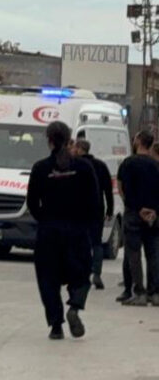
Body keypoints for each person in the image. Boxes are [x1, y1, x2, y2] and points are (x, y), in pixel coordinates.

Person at [28, 121, 102, 340]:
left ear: (49, 141)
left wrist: (45, 219)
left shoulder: (41, 168)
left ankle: (56, 326)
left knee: (48, 279)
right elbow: (95, 201)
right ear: (69, 140)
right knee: (81, 274)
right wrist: (88, 226)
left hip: (49, 232)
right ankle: (75, 307)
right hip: (77, 231)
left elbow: (32, 202)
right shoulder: (84, 168)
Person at [116, 130, 159, 307]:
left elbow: (122, 188)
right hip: (154, 215)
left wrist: (137, 208)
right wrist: (153, 210)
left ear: (139, 141)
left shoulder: (128, 163)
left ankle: (138, 291)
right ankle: (154, 293)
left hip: (134, 213)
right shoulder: (156, 165)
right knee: (153, 253)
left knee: (133, 253)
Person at [71, 139, 115, 290]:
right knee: (96, 242)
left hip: (78, 209)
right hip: (97, 208)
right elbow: (108, 189)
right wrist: (110, 209)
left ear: (79, 149)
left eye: (75, 147)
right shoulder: (100, 165)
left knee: (78, 241)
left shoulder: (74, 165)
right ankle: (96, 273)